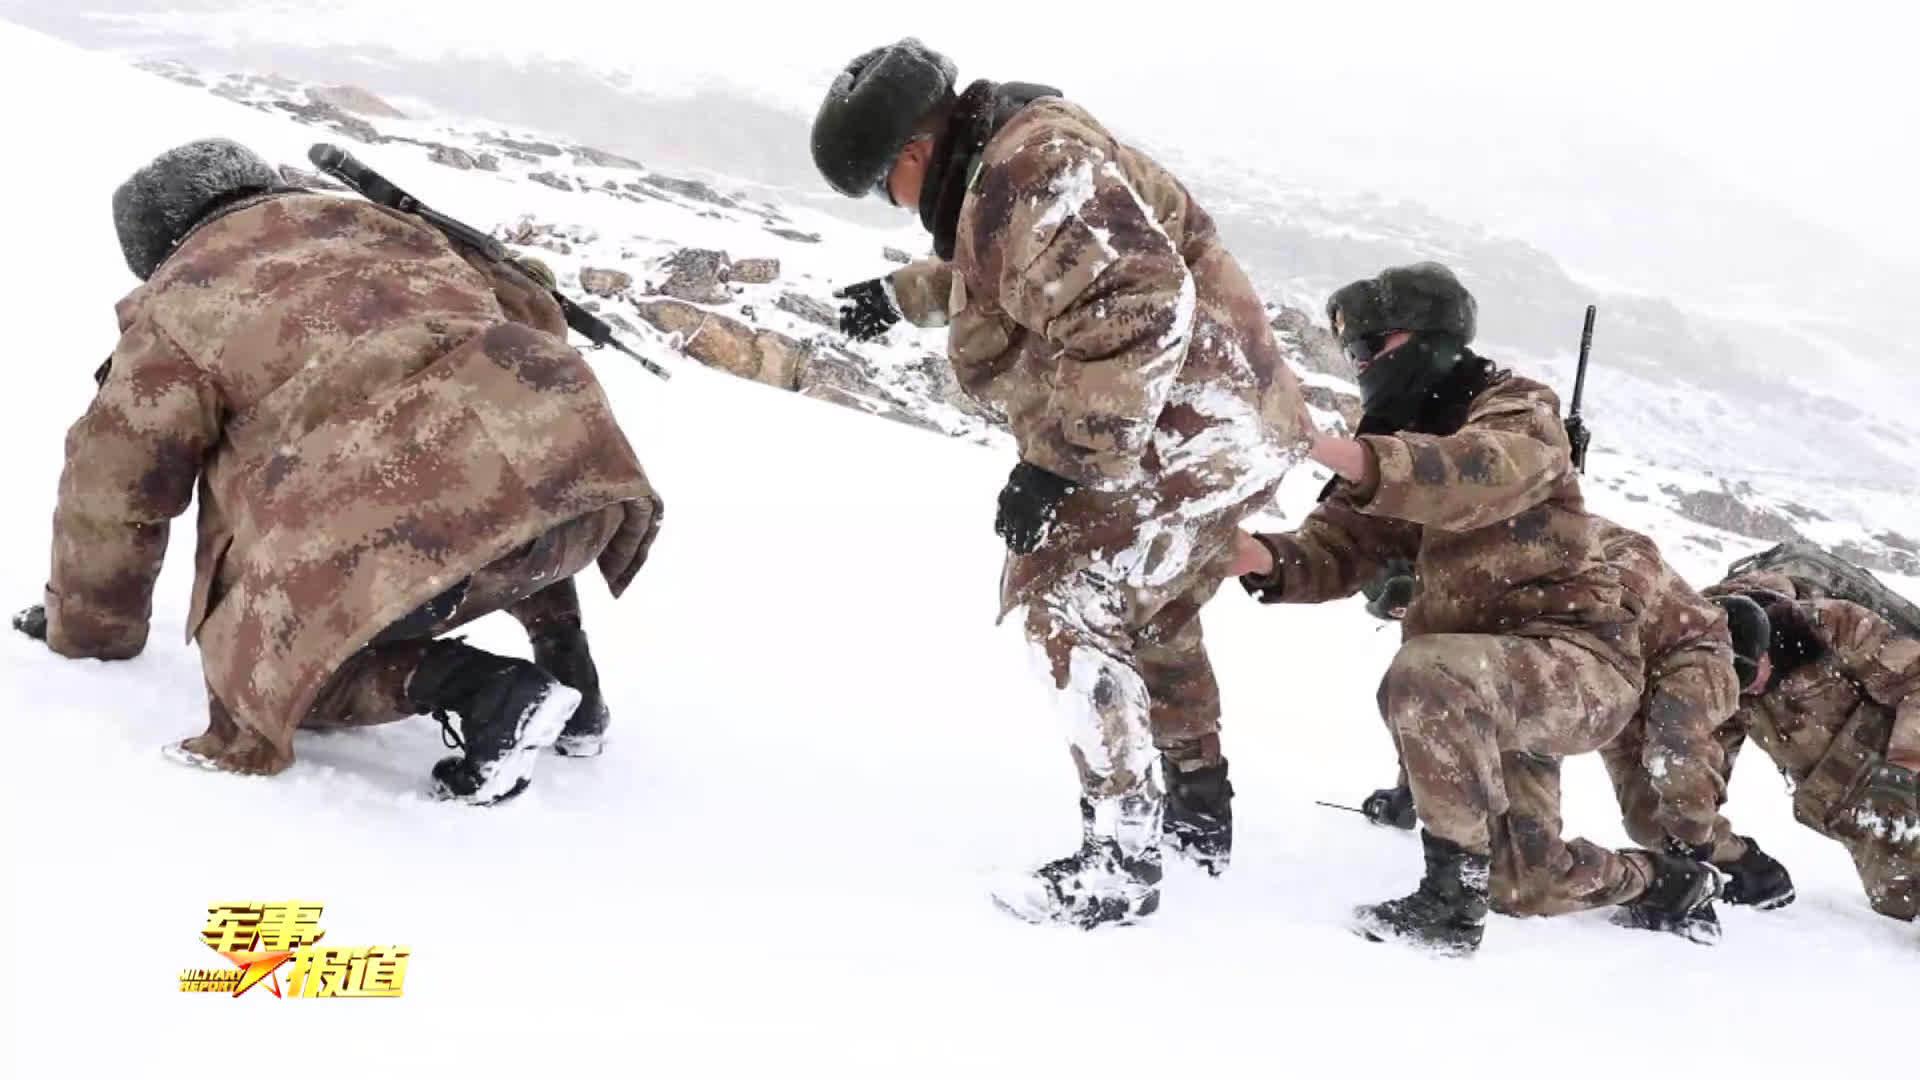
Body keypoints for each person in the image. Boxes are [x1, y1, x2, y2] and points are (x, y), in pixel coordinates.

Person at [810, 39, 1313, 925]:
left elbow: (1139, 302)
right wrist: (905, 296)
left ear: (915, 155)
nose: (894, 204)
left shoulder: (1029, 165)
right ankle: (1199, 811)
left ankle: (1118, 861)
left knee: (1063, 597)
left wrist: (1060, 462)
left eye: (883, 183)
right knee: (1146, 607)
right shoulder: (1015, 157)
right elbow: (1025, 264)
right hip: (1224, 421)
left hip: (1177, 427)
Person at [12, 139, 662, 804]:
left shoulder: (178, 306)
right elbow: (536, 317)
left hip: (421, 545)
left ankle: (485, 692)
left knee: (274, 681)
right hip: (585, 492)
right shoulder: (403, 229)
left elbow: (115, 491)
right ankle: (571, 674)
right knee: (494, 470)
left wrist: (90, 631)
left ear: (155, 251)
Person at [1232, 262, 1721, 955]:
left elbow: (1474, 473)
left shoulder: (1519, 409)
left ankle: (1448, 903)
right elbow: (1339, 547)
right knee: (1526, 884)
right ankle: (1662, 883)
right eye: (1356, 353)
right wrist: (1250, 555)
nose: (1364, 365)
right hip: (1490, 680)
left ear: (1429, 341)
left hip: (1577, 665)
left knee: (1427, 672)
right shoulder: (1397, 433)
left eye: (1375, 347)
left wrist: (1327, 447)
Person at [1353, 519, 1797, 931]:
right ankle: (1671, 879)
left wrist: (1699, 842)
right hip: (1535, 673)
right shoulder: (1453, 590)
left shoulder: (1694, 644)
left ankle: (1699, 872)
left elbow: (1678, 758)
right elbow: (1437, 703)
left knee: (1646, 828)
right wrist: (1411, 790)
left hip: (1584, 675)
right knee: (1518, 886)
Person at [1704, 571, 1920, 923]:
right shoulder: (1719, 671)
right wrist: (1703, 837)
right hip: (1852, 814)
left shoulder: (1833, 625)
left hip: (1899, 771)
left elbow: (1915, 678)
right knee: (1901, 904)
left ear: (1764, 643)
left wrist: (1902, 768)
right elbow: (1707, 764)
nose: (1749, 691)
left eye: (1750, 676)